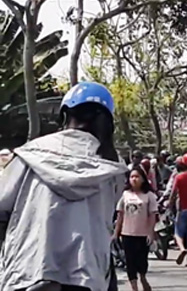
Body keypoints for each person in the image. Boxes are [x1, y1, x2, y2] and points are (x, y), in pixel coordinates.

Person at [0, 82, 127, 291]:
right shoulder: (112, 165)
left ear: (66, 114)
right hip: (88, 274)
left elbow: (3, 202)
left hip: (31, 270)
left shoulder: (32, 153)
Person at [114, 167, 158, 291]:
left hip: (143, 234)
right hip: (127, 233)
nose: (134, 179)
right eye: (132, 177)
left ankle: (143, 278)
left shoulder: (149, 196)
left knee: (142, 261)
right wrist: (116, 233)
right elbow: (120, 214)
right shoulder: (125, 194)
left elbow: (152, 216)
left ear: (143, 179)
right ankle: (134, 287)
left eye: (137, 176)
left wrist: (150, 233)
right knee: (130, 261)